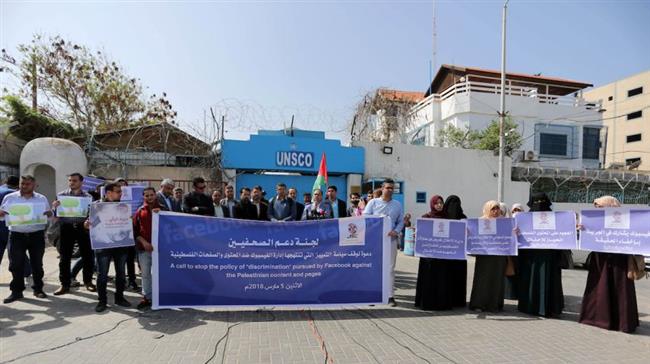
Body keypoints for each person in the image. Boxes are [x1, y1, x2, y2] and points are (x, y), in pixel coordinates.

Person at [579, 195, 639, 333]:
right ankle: (596, 318)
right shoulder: (597, 219)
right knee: (600, 286)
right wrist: (583, 229)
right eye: (597, 207)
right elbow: (590, 234)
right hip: (600, 259)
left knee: (620, 288)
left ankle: (621, 322)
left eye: (600, 206)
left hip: (619, 260)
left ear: (610, 206)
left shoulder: (625, 220)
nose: (597, 209)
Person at [1, 175, 52, 303]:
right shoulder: (10, 198)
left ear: (34, 185)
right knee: (15, 265)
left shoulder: (41, 198)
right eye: (22, 183)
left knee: (37, 264)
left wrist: (50, 213)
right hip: (17, 235)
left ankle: (38, 289)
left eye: (27, 184)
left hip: (36, 235)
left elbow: (49, 215)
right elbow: (2, 215)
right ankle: (16, 292)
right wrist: (1, 213)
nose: (24, 186)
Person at [516, 192, 564, 318]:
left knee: (549, 280)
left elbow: (563, 235)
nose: (539, 205)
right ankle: (529, 306)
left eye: (542, 201)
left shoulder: (555, 219)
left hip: (550, 257)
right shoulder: (525, 219)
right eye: (536, 202)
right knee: (531, 280)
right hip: (530, 257)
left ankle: (550, 308)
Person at [87, 182, 132, 312]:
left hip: (121, 245)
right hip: (103, 244)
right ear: (108, 193)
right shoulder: (97, 207)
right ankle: (102, 301)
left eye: (120, 191)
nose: (120, 194)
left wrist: (129, 220)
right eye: (118, 191)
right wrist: (87, 224)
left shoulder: (123, 207)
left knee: (121, 274)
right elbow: (92, 224)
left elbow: (128, 224)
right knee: (102, 275)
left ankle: (119, 298)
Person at [51, 173, 96, 295]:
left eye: (74, 180)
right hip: (66, 227)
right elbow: (55, 216)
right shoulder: (61, 196)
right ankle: (65, 285)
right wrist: (54, 208)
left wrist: (88, 220)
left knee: (88, 256)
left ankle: (88, 282)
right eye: (70, 180)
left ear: (81, 182)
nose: (71, 183)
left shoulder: (88, 197)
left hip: (83, 228)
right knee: (65, 258)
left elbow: (91, 214)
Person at [363, 179, 404, 307]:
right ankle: (372, 295)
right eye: (388, 188)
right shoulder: (373, 202)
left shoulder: (397, 204)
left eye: (392, 188)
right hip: (375, 240)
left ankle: (390, 296)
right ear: (382, 188)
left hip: (390, 240)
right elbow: (365, 217)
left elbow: (401, 221)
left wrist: (396, 231)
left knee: (390, 268)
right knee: (374, 267)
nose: (390, 190)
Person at [415, 195, 454, 310]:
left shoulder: (448, 219)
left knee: (442, 279)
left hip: (443, 256)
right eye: (436, 203)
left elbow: (454, 234)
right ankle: (427, 303)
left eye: (441, 203)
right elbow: (420, 233)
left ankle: (442, 304)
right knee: (429, 279)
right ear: (432, 204)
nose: (439, 205)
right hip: (429, 257)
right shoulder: (425, 218)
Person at [469, 200, 508, 312]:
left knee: (497, 280)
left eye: (497, 208)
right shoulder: (480, 222)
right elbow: (473, 236)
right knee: (482, 280)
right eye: (493, 209)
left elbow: (511, 237)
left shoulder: (505, 222)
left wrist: (514, 232)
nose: (496, 211)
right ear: (487, 210)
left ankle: (494, 304)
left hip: (499, 257)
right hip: (484, 257)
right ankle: (479, 304)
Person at [133, 187, 165, 309]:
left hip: (161, 249)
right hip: (144, 249)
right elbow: (135, 232)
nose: (149, 197)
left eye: (151, 195)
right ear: (143, 197)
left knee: (161, 274)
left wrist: (161, 214)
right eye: (147, 195)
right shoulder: (139, 211)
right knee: (146, 274)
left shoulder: (163, 209)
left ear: (155, 195)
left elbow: (172, 227)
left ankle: (162, 297)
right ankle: (147, 297)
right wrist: (144, 242)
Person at [0, 176, 31, 274]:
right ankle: (26, 271)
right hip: (8, 226)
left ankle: (27, 270)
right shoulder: (12, 194)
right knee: (16, 250)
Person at [443, 195, 468, 307]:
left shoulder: (463, 218)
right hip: (446, 254)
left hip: (459, 255)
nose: (454, 207)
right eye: (451, 204)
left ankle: (457, 301)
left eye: (456, 203)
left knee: (458, 278)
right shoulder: (442, 218)